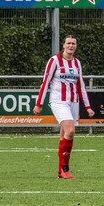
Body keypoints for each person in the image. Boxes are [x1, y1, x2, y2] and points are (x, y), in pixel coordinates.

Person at [33, 35, 94, 179]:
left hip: (73, 102)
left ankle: (61, 171)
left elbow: (81, 85)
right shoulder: (54, 61)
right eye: (68, 43)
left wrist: (88, 106)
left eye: (73, 43)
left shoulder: (77, 63)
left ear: (76, 46)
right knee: (70, 130)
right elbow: (45, 82)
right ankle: (65, 169)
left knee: (64, 135)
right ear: (63, 45)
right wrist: (39, 103)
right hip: (58, 101)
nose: (71, 46)